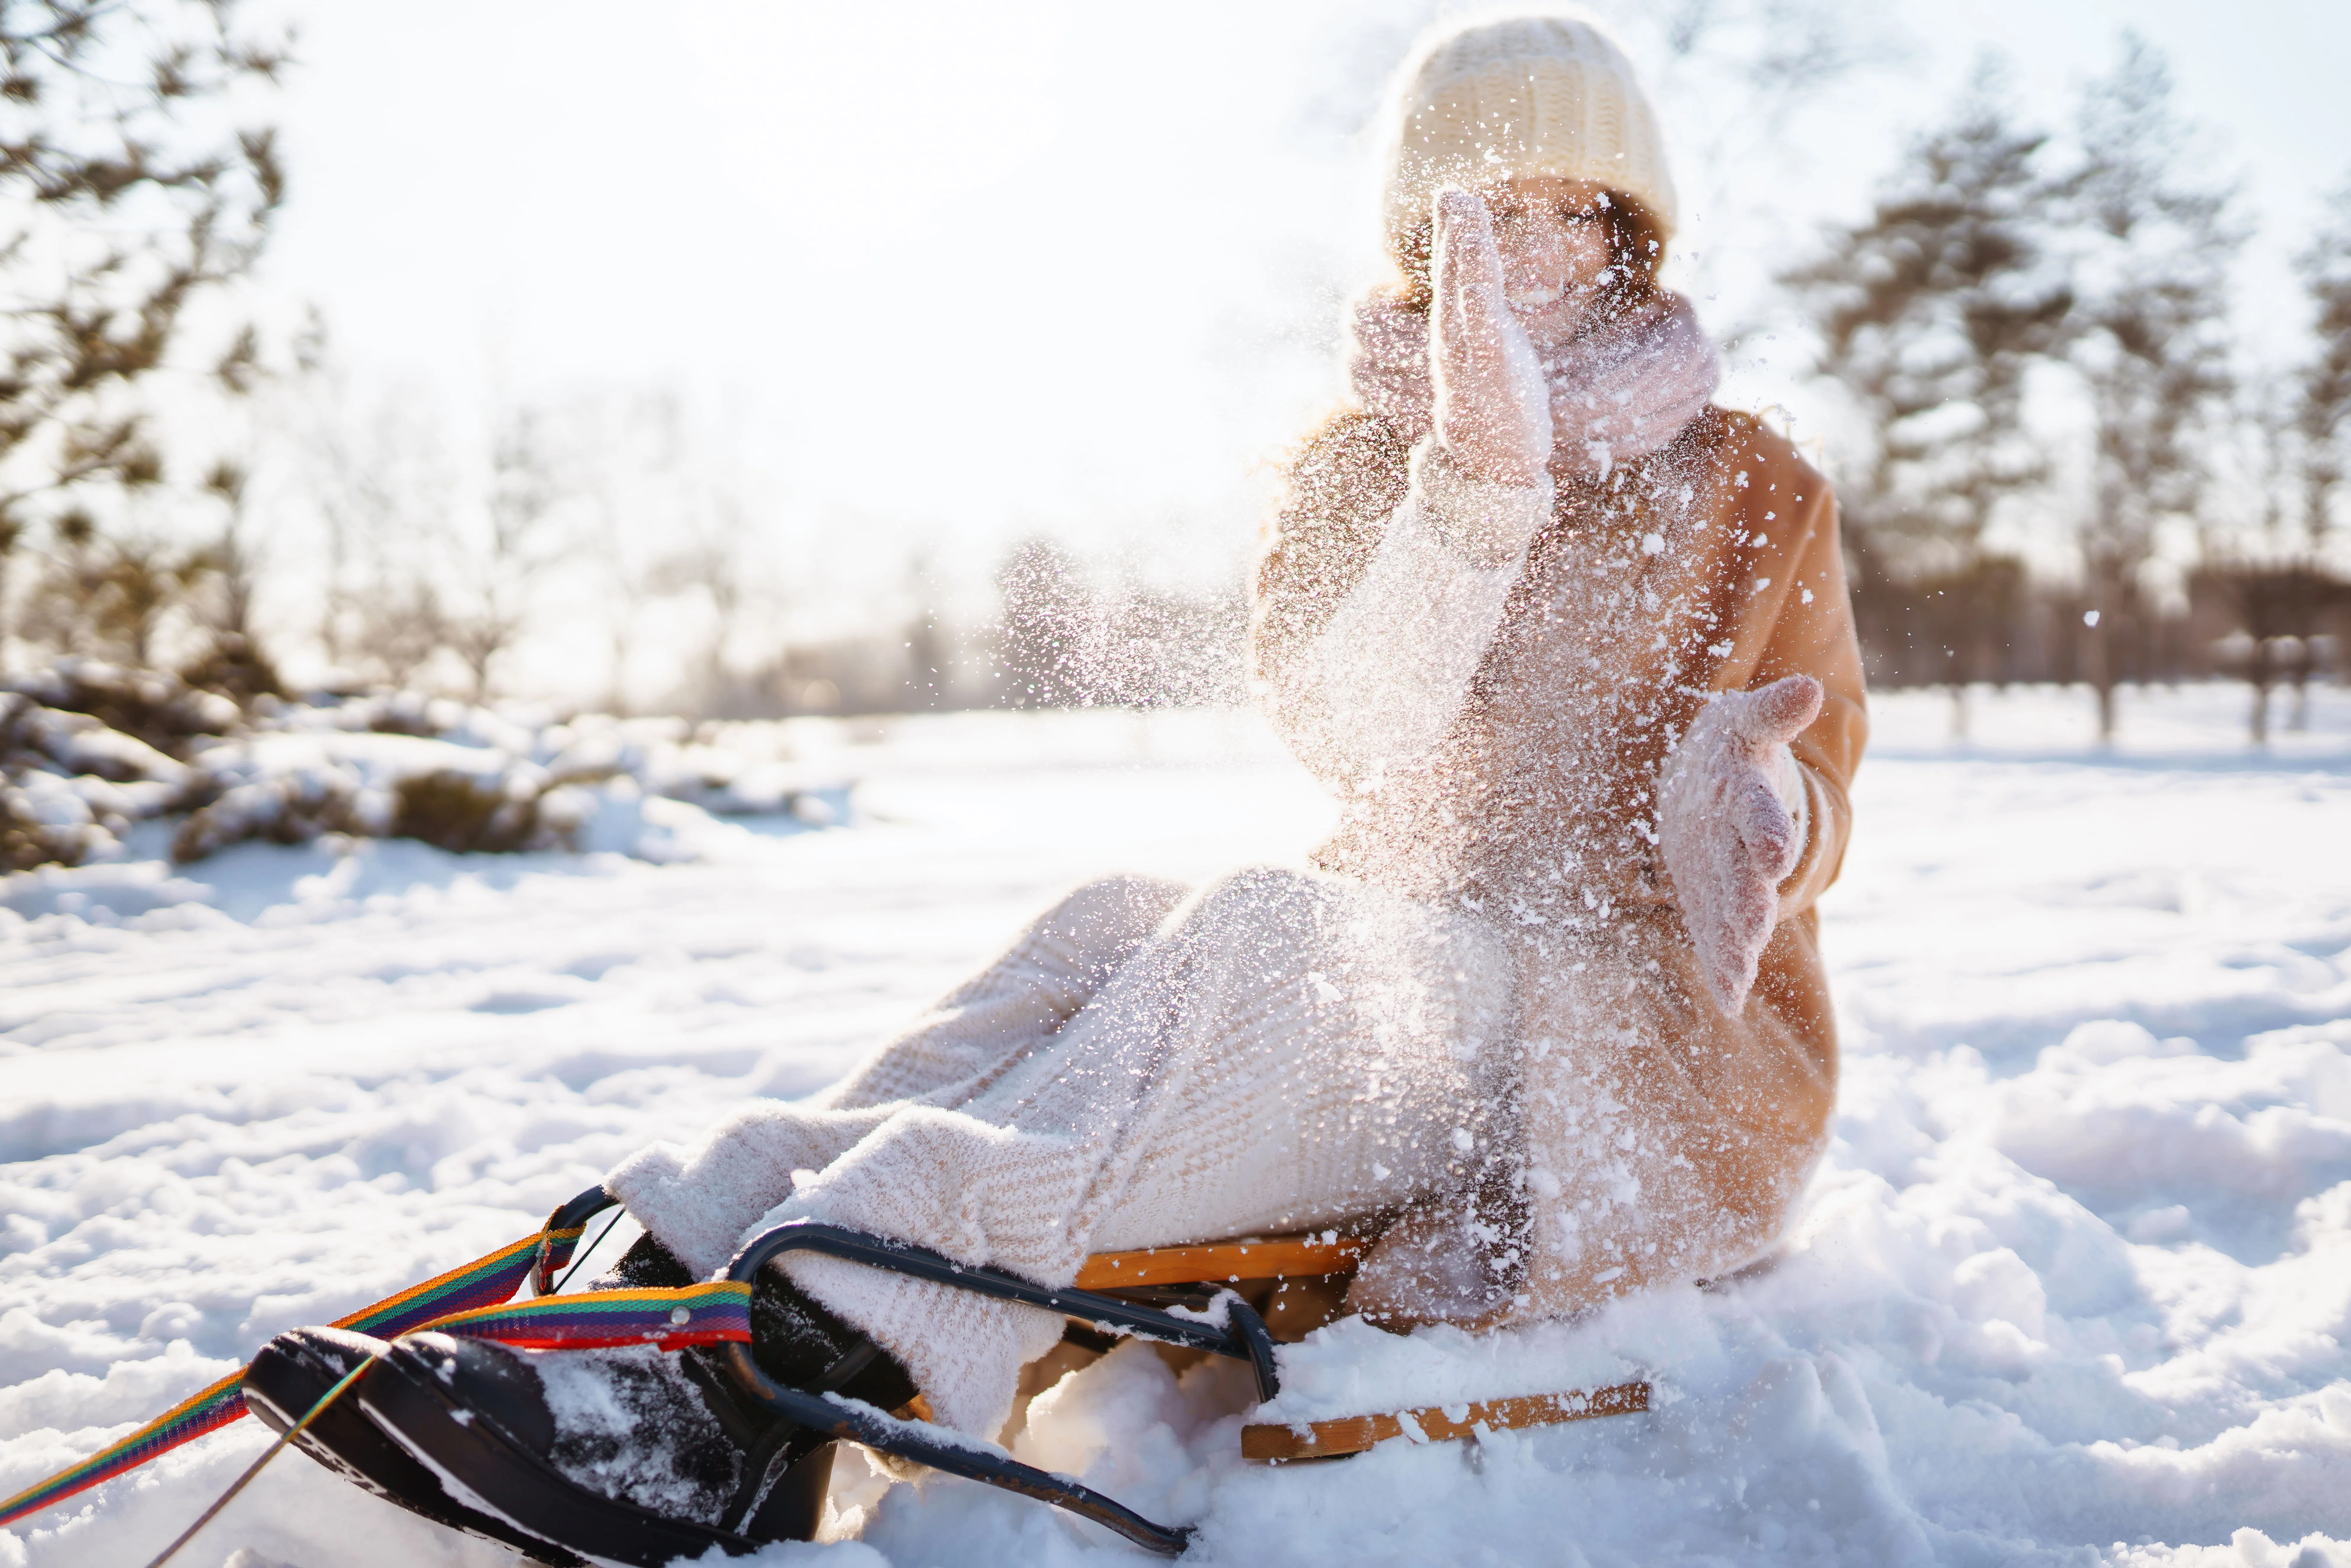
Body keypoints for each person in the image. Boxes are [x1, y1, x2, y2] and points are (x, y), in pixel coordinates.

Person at [255, 13, 1865, 1557]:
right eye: (1478, 214)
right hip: (1405, 979)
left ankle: (778, 1373)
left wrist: (1764, 811)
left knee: (1263, 942)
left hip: (1629, 1051)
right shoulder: (1363, 468)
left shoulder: (1751, 484)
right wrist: (1469, 499)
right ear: (1418, 244)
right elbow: (1358, 737)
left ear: (1624, 229)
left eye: (1562, 209)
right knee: (1108, 927)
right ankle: (691, 1250)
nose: (1525, 247)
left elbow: (1822, 772)